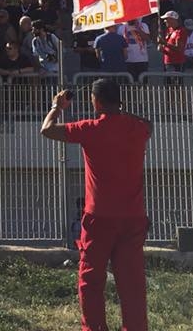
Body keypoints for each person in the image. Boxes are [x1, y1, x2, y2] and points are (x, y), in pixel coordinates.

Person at [41, 78, 151, 331]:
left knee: (91, 281)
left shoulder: (90, 128)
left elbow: (47, 130)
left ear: (96, 102)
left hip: (99, 217)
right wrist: (121, 111)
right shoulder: (137, 127)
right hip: (133, 217)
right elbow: (149, 125)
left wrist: (57, 107)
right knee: (132, 284)